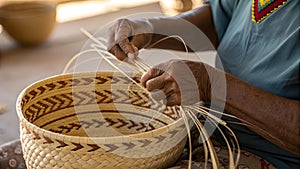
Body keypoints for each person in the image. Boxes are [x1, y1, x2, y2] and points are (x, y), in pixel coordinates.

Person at [108, 0, 300, 168]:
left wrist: (211, 84)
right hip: (213, 126)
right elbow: (216, 21)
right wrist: (149, 29)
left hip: (271, 155)